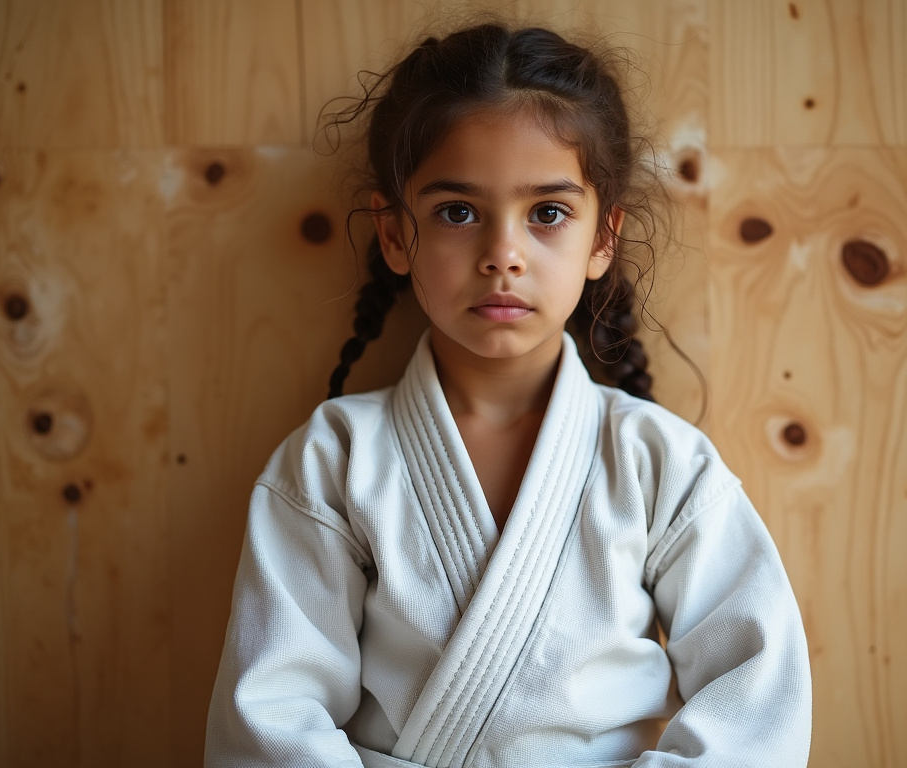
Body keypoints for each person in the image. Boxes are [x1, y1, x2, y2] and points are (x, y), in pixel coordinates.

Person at [205, 20, 812, 768]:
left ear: (602, 239)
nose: (503, 255)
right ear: (396, 235)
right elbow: (271, 713)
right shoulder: (333, 461)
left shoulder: (662, 464)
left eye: (548, 213)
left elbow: (758, 693)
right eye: (457, 212)